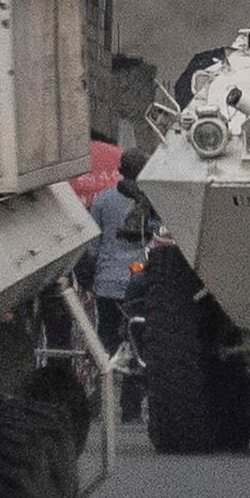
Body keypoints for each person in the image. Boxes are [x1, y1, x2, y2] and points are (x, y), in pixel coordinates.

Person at [86, 177, 152, 422]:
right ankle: (131, 407)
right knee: (138, 343)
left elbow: (92, 245)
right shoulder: (152, 198)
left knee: (106, 343)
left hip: (108, 284)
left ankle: (99, 399)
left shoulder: (102, 199)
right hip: (140, 282)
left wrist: (90, 277)